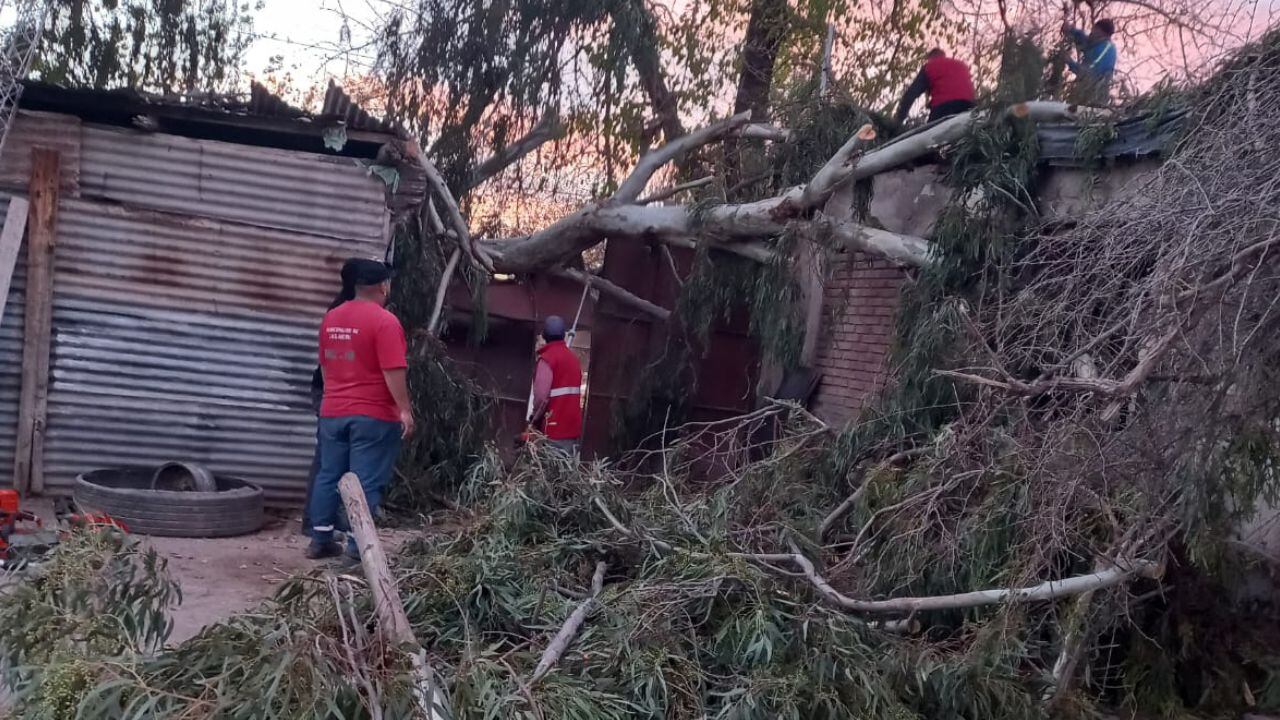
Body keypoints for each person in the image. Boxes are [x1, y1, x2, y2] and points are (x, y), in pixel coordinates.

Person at [306, 258, 414, 561]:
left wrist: (335, 396)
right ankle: (356, 547)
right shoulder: (385, 322)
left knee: (329, 474)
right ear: (382, 285)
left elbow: (326, 366)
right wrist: (404, 410)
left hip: (333, 410)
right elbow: (393, 369)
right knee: (366, 480)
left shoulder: (332, 318)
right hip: (373, 415)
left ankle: (321, 538)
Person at [301, 259, 360, 535]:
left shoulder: (344, 309)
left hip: (335, 389)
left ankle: (325, 517)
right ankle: (314, 522)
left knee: (334, 457)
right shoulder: (342, 312)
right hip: (332, 390)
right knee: (327, 457)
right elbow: (335, 358)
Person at [529, 315, 584, 455]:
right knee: (564, 474)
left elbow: (541, 396)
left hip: (553, 430)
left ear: (544, 335)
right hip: (572, 430)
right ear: (563, 335)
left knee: (548, 473)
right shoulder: (574, 360)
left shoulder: (547, 360)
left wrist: (534, 420)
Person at [894, 48, 976, 125]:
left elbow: (911, 94)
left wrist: (898, 120)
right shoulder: (962, 65)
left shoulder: (930, 66)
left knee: (928, 135)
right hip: (969, 106)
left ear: (930, 58)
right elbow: (959, 88)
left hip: (944, 108)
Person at [1063, 19, 1117, 105]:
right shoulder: (1097, 43)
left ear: (1101, 32)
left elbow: (1091, 71)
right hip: (1083, 92)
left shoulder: (1107, 49)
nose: (1091, 32)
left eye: (1094, 30)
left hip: (1095, 98)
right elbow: (1084, 40)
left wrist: (1070, 62)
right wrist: (1070, 30)